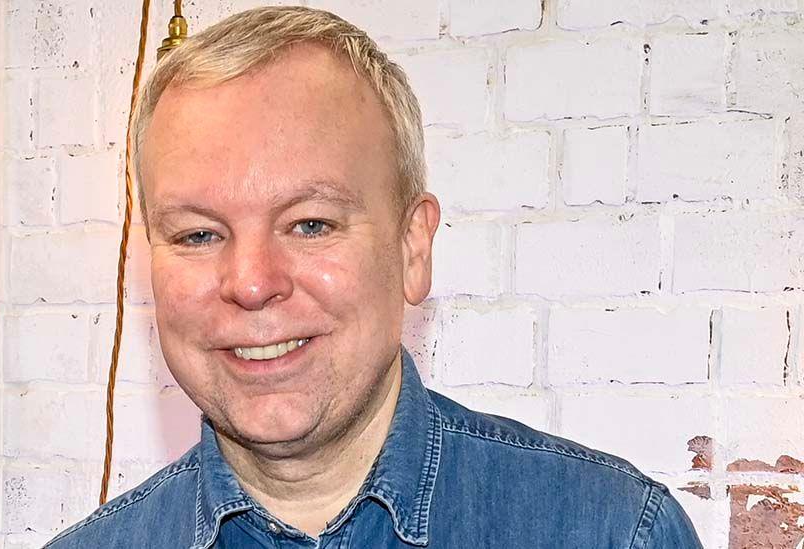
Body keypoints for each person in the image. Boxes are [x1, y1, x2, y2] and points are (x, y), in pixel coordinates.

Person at [46, 6, 702, 548]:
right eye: (198, 234)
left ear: (413, 247)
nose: (250, 282)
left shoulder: (613, 532)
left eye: (310, 224)